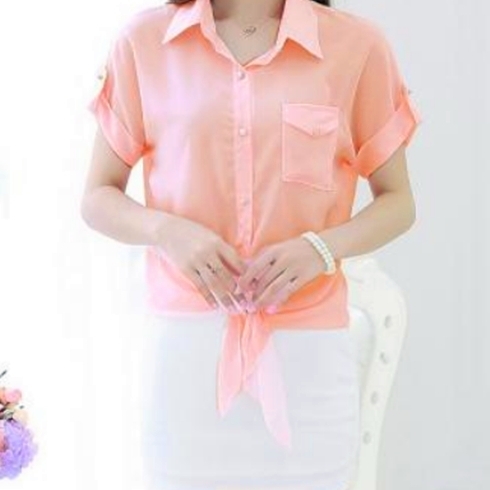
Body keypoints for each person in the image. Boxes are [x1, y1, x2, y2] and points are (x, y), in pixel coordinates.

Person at [81, 0, 422, 489]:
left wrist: (321, 248)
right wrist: (167, 231)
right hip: (185, 362)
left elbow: (398, 203)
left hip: (310, 365)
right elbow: (97, 197)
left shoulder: (358, 46)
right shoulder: (144, 42)